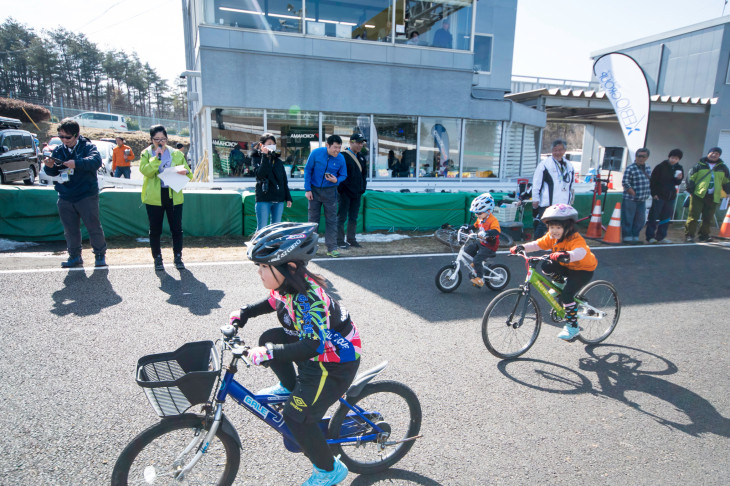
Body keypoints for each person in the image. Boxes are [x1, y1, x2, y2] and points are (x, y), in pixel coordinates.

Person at [230, 222, 361, 486]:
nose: (259, 272)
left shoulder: (309, 299)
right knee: (270, 337)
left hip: (333, 363)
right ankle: (290, 387)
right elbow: (272, 301)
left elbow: (312, 346)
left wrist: (268, 353)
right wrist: (244, 312)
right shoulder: (289, 286)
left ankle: (329, 470)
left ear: (289, 267)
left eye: (264, 266)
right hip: (317, 352)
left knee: (294, 417)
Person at [510, 204, 597, 341]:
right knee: (546, 265)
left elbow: (580, 252)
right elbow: (538, 244)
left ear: (568, 227)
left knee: (567, 296)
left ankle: (572, 327)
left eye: (558, 227)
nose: (554, 231)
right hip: (566, 267)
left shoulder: (575, 239)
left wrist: (567, 255)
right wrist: (521, 247)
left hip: (582, 270)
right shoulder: (552, 237)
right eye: (551, 227)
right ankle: (560, 285)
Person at [42, 118, 107, 268]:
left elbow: (95, 161)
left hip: (86, 195)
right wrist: (49, 166)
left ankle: (99, 254)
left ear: (76, 135)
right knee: (70, 229)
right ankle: (74, 256)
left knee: (93, 226)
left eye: (67, 137)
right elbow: (52, 172)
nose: (64, 140)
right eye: (61, 137)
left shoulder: (88, 147)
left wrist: (76, 163)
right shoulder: (59, 150)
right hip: (65, 195)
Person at [139, 125, 192, 271]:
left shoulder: (176, 153)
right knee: (155, 229)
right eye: (156, 139)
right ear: (151, 140)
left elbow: (189, 173)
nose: (160, 142)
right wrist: (157, 159)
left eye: (163, 139)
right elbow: (146, 172)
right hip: (154, 197)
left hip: (173, 194)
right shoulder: (146, 154)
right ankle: (157, 258)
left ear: (167, 139)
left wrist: (184, 172)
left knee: (177, 228)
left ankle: (178, 257)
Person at [304, 135, 347, 257]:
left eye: (339, 148)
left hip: (331, 191)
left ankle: (332, 248)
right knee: (313, 220)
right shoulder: (316, 153)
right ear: (327, 145)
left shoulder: (341, 158)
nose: (337, 150)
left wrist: (336, 180)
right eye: (335, 147)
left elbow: (344, 175)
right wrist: (307, 189)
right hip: (314, 190)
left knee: (332, 220)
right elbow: (307, 170)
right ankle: (311, 248)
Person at [684, 146, 730, 242]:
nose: (714, 155)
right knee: (693, 217)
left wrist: (728, 192)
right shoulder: (699, 166)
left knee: (708, 218)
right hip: (698, 195)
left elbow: (727, 181)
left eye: (717, 154)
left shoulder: (723, 168)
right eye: (712, 152)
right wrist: (691, 191)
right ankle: (689, 235)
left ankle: (704, 235)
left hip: (713, 196)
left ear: (719, 156)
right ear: (708, 153)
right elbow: (690, 178)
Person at [532, 139, 574, 238]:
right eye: (555, 150)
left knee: (560, 225)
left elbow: (571, 184)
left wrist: (571, 199)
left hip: (563, 202)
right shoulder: (545, 164)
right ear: (552, 151)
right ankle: (535, 245)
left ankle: (556, 243)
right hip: (548, 202)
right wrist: (535, 199)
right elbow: (536, 183)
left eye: (560, 150)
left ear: (564, 151)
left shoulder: (569, 165)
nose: (557, 152)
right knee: (544, 224)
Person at [252, 133, 293, 230]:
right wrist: (265, 157)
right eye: (269, 143)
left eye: (273, 143)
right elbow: (260, 174)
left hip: (278, 198)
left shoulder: (278, 161)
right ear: (262, 145)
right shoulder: (256, 158)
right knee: (262, 228)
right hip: (264, 197)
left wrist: (288, 197)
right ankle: (259, 245)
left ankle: (274, 245)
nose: (272, 145)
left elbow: (283, 180)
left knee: (276, 228)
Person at [646, 148, 684, 244]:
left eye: (676, 158)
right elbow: (653, 181)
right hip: (659, 195)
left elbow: (677, 182)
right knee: (653, 216)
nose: (674, 160)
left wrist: (679, 179)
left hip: (670, 196)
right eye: (672, 157)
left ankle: (661, 236)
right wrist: (654, 194)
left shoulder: (679, 168)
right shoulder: (660, 167)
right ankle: (650, 236)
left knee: (666, 217)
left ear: (679, 159)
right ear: (669, 157)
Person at [337, 132, 368, 249]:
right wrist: (342, 190)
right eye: (358, 142)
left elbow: (364, 175)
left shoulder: (362, 157)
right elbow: (339, 175)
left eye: (362, 143)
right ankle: (339, 240)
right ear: (351, 142)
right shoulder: (343, 156)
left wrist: (362, 189)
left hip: (357, 193)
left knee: (353, 217)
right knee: (341, 217)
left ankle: (351, 239)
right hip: (345, 193)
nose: (360, 145)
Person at [464, 193, 500, 288]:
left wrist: (487, 233)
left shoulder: (493, 220)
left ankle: (480, 278)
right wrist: (468, 227)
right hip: (482, 242)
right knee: (468, 249)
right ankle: (478, 264)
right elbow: (475, 225)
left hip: (490, 246)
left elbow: (496, 231)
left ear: (488, 211)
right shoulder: (480, 219)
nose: (477, 215)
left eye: (479, 213)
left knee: (477, 259)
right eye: (476, 213)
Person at [621, 148, 651, 243]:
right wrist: (632, 191)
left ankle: (635, 235)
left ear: (647, 157)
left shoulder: (648, 168)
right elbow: (625, 182)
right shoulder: (630, 168)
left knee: (640, 219)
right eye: (639, 156)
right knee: (628, 217)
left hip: (642, 198)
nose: (640, 158)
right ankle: (627, 235)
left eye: (643, 156)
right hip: (630, 198)